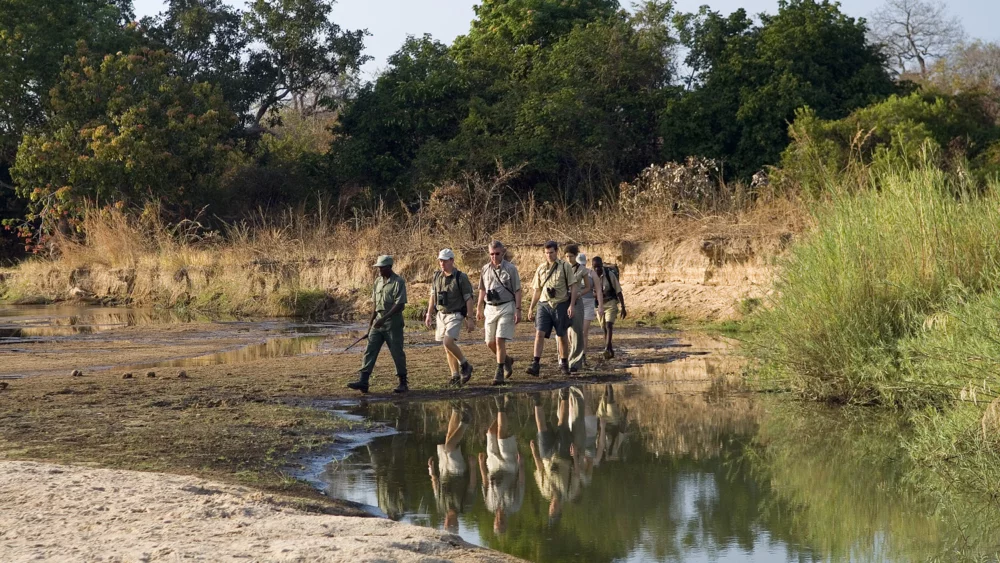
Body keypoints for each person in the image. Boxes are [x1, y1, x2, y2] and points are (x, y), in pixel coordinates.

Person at [348, 255, 408, 394]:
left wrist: (384, 319)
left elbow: (400, 304)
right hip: (378, 322)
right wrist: (371, 324)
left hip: (393, 322)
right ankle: (363, 381)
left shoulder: (398, 282)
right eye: (378, 267)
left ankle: (403, 382)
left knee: (397, 352)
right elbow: (375, 304)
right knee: (370, 350)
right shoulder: (377, 282)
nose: (379, 270)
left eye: (381, 267)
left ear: (389, 267)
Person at [526, 241, 578, 376]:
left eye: (551, 252)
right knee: (539, 333)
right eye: (546, 253)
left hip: (560, 303)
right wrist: (531, 308)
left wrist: (571, 305)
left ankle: (564, 363)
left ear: (557, 252)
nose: (549, 255)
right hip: (544, 304)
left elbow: (573, 286)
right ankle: (535, 364)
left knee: (561, 335)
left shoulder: (565, 266)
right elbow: (537, 290)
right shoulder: (541, 268)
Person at [425, 248, 476, 386]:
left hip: (455, 314)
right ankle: (455, 375)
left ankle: (465, 364)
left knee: (448, 342)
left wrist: (470, 319)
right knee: (447, 347)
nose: (442, 263)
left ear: (452, 260)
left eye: (445, 260)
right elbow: (432, 296)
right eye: (440, 260)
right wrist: (429, 313)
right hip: (441, 314)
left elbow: (469, 299)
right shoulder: (436, 276)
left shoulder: (460, 277)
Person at [476, 240, 522, 385]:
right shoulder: (485, 269)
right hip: (490, 307)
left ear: (502, 252)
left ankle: (499, 371)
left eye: (497, 253)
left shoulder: (511, 268)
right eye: (491, 254)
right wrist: (478, 307)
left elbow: (517, 290)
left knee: (499, 339)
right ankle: (507, 360)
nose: (494, 256)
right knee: (489, 342)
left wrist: (518, 309)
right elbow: (482, 289)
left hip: (506, 305)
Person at [478, 395, 525, 534]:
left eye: (497, 523)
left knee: (490, 432)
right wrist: (521, 465)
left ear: (494, 522)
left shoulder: (489, 505)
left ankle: (505, 409)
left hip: (492, 466)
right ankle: (501, 406)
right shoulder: (514, 506)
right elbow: (521, 484)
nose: (499, 521)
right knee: (500, 434)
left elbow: (485, 484)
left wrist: (481, 465)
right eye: (501, 523)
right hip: (509, 467)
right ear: (506, 522)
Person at [428, 402, 477, 533]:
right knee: (450, 447)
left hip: (444, 471)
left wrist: (431, 472)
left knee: (448, 438)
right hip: (458, 472)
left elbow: (436, 488)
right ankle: (466, 420)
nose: (450, 522)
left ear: (444, 523)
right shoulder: (464, 508)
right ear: (457, 524)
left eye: (448, 524)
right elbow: (472, 486)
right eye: (453, 525)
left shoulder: (441, 507)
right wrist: (473, 468)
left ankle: (455, 410)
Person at [562, 245, 594, 373]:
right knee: (562, 331)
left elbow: (587, 287)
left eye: (571, 256)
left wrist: (580, 293)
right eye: (567, 256)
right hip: (563, 300)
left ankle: (575, 361)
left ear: (576, 256)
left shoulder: (582, 269)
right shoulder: (562, 267)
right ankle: (563, 359)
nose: (569, 259)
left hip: (577, 302)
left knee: (577, 331)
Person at [592, 256, 626, 359]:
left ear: (602, 265)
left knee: (609, 325)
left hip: (611, 303)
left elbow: (618, 291)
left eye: (599, 266)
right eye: (595, 267)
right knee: (604, 328)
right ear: (593, 267)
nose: (597, 269)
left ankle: (606, 348)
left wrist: (623, 307)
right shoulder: (590, 276)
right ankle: (610, 349)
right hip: (599, 305)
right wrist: (596, 294)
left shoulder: (609, 275)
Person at [578, 253, 603, 368]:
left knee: (584, 331)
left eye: (583, 264)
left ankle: (583, 356)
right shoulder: (571, 272)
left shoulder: (591, 273)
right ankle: (572, 355)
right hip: (575, 303)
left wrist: (600, 306)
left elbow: (598, 290)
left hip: (588, 303)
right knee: (571, 333)